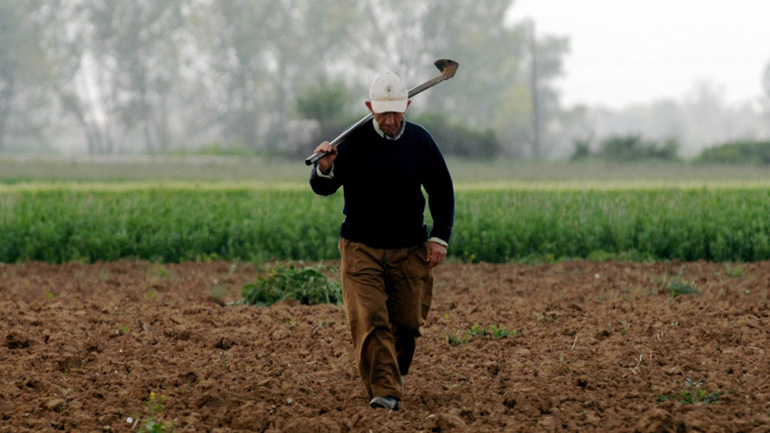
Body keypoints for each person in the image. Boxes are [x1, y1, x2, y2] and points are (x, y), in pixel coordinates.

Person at [309, 71, 455, 411]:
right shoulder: (351, 144)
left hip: (409, 248)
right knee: (371, 319)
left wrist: (439, 238)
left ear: (406, 105)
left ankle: (389, 374)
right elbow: (323, 187)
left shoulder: (421, 142)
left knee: (406, 325)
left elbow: (442, 191)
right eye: (382, 113)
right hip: (361, 247)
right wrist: (326, 167)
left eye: (396, 112)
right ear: (369, 107)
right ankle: (386, 391)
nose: (389, 120)